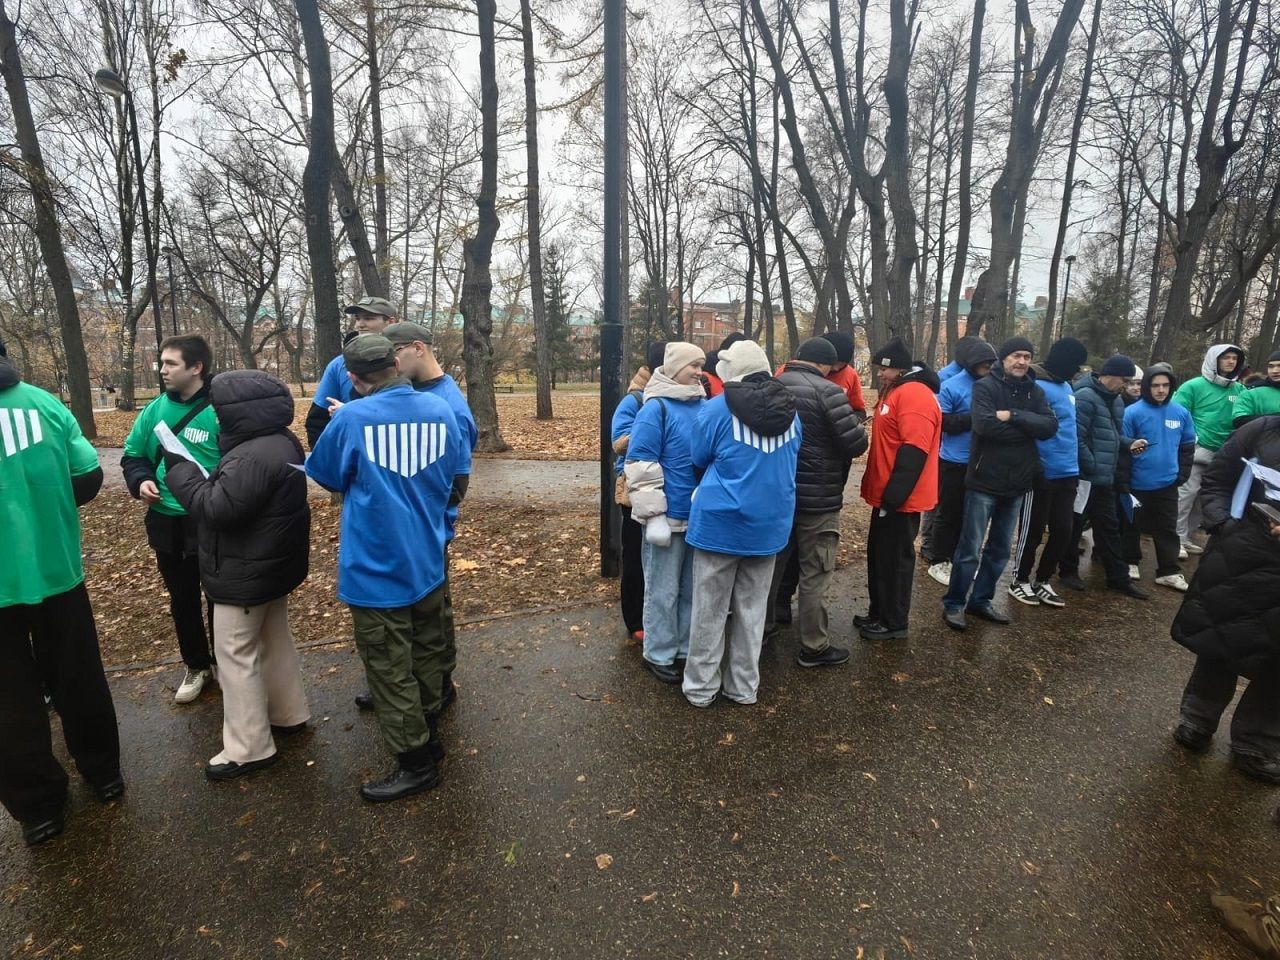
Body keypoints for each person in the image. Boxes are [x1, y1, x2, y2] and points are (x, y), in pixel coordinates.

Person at [306, 335, 462, 802]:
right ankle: (429, 736)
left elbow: (326, 473)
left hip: (375, 567)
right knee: (428, 652)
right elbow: (454, 478)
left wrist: (344, 425)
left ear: (352, 377)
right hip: (428, 558)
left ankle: (415, 764)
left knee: (388, 665)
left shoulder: (352, 417)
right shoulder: (442, 411)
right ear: (396, 363)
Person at [0, 340, 121, 846]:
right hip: (57, 570)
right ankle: (104, 774)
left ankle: (37, 806)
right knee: (77, 675)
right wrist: (44, 509)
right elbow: (89, 477)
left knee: (7, 699)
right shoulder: (43, 403)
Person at [164, 371, 312, 781]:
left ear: (236, 411)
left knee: (234, 653)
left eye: (218, 408)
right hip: (271, 567)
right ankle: (288, 713)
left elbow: (216, 508)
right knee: (273, 640)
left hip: (244, 572)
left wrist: (179, 470)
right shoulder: (279, 440)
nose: (213, 414)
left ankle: (248, 748)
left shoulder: (252, 455)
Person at [683, 340, 801, 705]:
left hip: (719, 525)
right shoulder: (793, 415)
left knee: (709, 611)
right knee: (753, 612)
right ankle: (743, 687)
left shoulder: (716, 411)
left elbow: (698, 458)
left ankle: (701, 688)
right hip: (770, 526)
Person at [374, 321, 478, 716]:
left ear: (418, 347)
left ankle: (432, 686)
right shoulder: (418, 394)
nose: (391, 365)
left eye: (394, 355)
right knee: (432, 608)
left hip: (426, 529)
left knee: (431, 610)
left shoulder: (449, 404)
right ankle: (427, 682)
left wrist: (426, 523)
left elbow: (455, 482)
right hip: (413, 528)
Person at [1170, 414, 1280, 785]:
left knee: (1276, 660)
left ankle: (1257, 742)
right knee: (1222, 639)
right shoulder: (1262, 430)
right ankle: (1198, 719)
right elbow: (1218, 477)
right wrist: (1222, 522)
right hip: (1242, 554)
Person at [121, 334, 222, 704]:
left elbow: (237, 464)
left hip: (210, 522)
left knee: (219, 599)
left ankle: (227, 665)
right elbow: (134, 456)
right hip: (166, 523)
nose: (162, 370)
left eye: (171, 364)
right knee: (182, 600)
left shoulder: (220, 408)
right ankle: (197, 667)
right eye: (161, 363)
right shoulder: (154, 410)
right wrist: (141, 480)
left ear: (196, 368)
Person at [941, 337, 1057, 631]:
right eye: (1016, 355)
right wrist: (1027, 428)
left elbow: (1050, 427)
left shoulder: (1035, 391)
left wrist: (1014, 416)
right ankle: (955, 603)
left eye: (1027, 356)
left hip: (1018, 482)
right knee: (970, 549)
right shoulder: (984, 387)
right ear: (1003, 359)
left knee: (1000, 549)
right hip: (984, 480)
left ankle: (981, 601)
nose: (1022, 361)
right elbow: (985, 425)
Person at [765, 337, 868, 665]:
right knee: (816, 570)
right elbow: (855, 444)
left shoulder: (772, 387)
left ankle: (760, 627)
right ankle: (814, 645)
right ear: (826, 364)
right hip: (818, 499)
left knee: (771, 566)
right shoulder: (829, 393)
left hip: (778, 496)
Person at [625, 341, 706, 683]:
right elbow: (639, 462)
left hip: (697, 516)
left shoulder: (702, 403)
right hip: (667, 517)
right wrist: (654, 515)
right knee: (662, 589)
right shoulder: (654, 408)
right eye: (694, 365)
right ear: (675, 368)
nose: (700, 371)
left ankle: (684, 647)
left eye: (701, 365)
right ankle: (658, 652)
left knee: (691, 588)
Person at [857, 336, 942, 641]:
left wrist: (894, 496)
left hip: (899, 499)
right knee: (881, 556)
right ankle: (878, 611)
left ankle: (893, 622)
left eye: (884, 369)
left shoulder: (915, 395)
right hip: (886, 496)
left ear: (900, 369)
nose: (879, 373)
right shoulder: (896, 390)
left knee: (894, 561)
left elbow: (914, 450)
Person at [1058, 355, 1150, 599]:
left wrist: (1130, 444)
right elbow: (1076, 438)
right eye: (1125, 380)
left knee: (1109, 528)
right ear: (1111, 375)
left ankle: (1118, 578)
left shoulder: (1117, 401)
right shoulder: (1085, 397)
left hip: (1104, 478)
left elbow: (1111, 436)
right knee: (1074, 526)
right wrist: (1091, 465)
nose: (1127, 385)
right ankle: (1067, 572)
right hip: (1085, 478)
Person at [1008, 337, 1088, 608]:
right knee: (1031, 529)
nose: (1078, 370)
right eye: (1076, 364)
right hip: (1041, 471)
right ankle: (1019, 580)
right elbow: (1028, 426)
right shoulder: (1036, 385)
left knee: (1064, 530)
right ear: (1065, 361)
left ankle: (1043, 580)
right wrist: (1034, 465)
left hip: (1069, 470)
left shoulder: (1067, 385)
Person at [927, 337, 998, 586]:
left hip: (983, 461)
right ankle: (939, 560)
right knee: (949, 514)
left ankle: (961, 559)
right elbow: (942, 423)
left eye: (991, 363)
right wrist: (975, 418)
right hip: (954, 460)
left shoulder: (994, 385)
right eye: (984, 364)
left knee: (973, 517)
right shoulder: (952, 386)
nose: (988, 367)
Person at [1121, 366, 1196, 592]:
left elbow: (1187, 447)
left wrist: (1181, 475)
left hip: (1167, 483)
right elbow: (1122, 448)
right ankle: (1130, 562)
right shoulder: (1132, 412)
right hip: (1136, 483)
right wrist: (1123, 480)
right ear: (1147, 387)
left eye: (1165, 385)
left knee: (1166, 528)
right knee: (1131, 526)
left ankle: (1168, 571)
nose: (1161, 390)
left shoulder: (1181, 412)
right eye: (1155, 385)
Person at [610, 341, 666, 643]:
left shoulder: (672, 398)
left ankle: (655, 615)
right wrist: (651, 430)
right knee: (635, 557)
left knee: (658, 556)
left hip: (664, 488)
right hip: (633, 491)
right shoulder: (634, 400)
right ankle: (634, 620)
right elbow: (617, 442)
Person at [1173, 343, 1245, 556]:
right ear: (1214, 359)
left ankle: (1187, 537)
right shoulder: (1193, 386)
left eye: (1234, 358)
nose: (1231, 361)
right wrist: (1191, 440)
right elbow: (1178, 413)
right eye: (1226, 358)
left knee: (1204, 498)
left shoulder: (1238, 389)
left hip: (1224, 452)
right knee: (1186, 494)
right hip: (1197, 449)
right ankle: (1175, 537)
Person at [305, 296, 398, 448]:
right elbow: (317, 422)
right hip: (351, 458)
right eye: (357, 319)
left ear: (391, 322)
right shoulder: (339, 365)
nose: (360, 325)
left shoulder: (405, 361)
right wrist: (329, 464)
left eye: (369, 318)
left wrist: (348, 412)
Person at [1232, 350, 1280, 428]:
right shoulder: (1251, 392)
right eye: (1271, 366)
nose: (1274, 371)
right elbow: (1239, 421)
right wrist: (1276, 418)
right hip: (1262, 439)